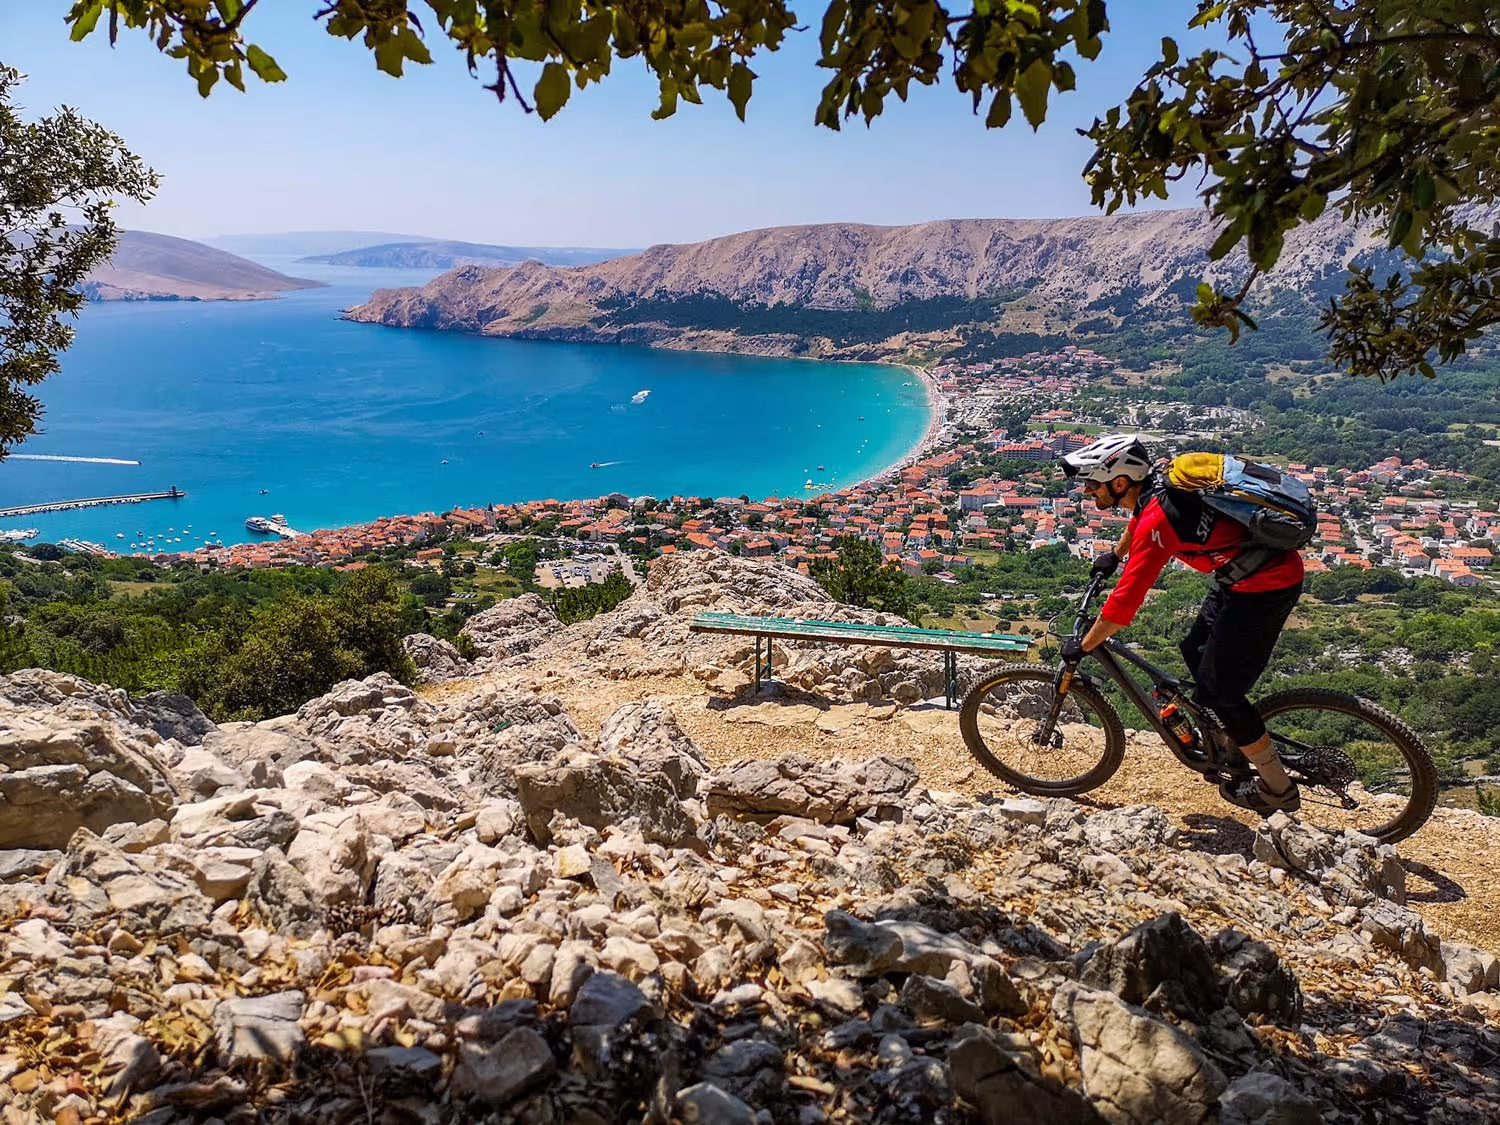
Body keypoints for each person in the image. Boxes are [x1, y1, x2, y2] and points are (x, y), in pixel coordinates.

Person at [1057, 434, 1305, 814]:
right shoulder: (1158, 485)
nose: (1089, 491)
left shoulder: (1160, 519)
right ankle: (1225, 736)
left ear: (1119, 482)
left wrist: (1085, 645)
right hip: (1239, 577)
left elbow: (1124, 604)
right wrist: (1114, 554)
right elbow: (1138, 520)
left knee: (1222, 692)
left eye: (1093, 483)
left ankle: (1277, 788)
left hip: (1265, 586)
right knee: (1193, 650)